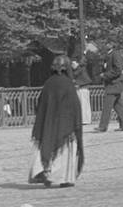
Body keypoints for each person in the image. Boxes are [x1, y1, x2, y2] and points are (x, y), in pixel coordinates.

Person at [28, 55, 85, 188]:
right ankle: (61, 177)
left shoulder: (49, 83)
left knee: (47, 147)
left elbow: (40, 105)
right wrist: (75, 124)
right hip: (65, 125)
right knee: (63, 151)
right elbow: (74, 106)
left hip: (49, 123)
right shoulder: (68, 84)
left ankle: (46, 172)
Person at [97, 45, 123, 132]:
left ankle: (103, 126)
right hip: (112, 84)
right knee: (118, 106)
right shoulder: (108, 55)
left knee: (107, 106)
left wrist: (105, 75)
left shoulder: (115, 54)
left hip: (114, 84)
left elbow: (118, 70)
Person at [70, 56, 93, 128]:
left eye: (73, 64)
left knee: (83, 104)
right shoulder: (81, 69)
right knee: (84, 104)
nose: (72, 66)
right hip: (82, 88)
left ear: (77, 63)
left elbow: (75, 76)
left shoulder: (80, 69)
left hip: (82, 89)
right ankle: (86, 119)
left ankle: (84, 120)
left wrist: (76, 83)